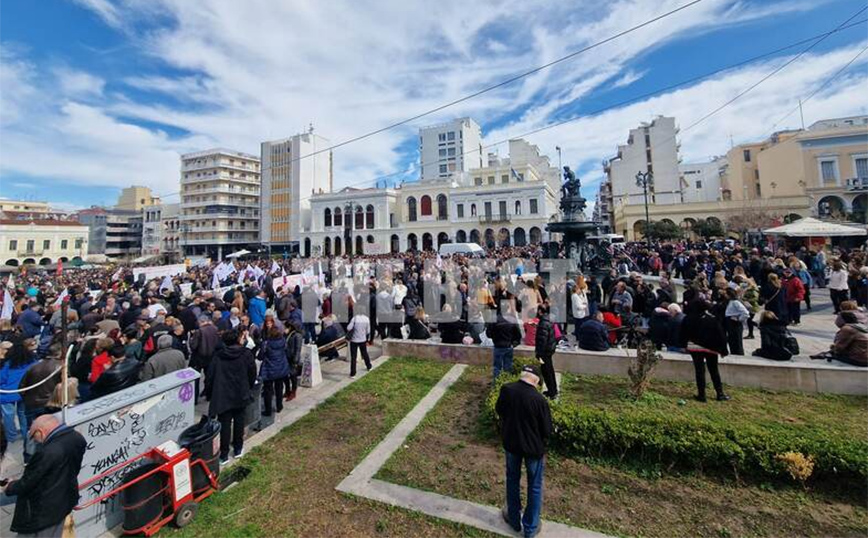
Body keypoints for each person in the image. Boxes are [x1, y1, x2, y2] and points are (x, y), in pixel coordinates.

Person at [2, 415, 87, 536]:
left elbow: (28, 483)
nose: (35, 440)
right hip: (63, 502)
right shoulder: (77, 438)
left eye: (33, 436)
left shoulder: (46, 453)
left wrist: (10, 486)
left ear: (40, 431)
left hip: (43, 513)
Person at [495, 365, 552, 538]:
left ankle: (513, 519)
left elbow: (500, 411)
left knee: (512, 479)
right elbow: (547, 430)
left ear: (522, 376)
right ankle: (530, 527)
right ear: (535, 381)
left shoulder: (507, 389)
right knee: (534, 486)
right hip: (533, 450)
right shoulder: (538, 399)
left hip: (511, 444)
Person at [206, 329, 257, 464]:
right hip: (241, 391)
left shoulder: (218, 355)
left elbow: (210, 376)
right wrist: (249, 386)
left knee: (225, 423)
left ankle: (223, 454)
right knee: (239, 421)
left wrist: (209, 392)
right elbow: (252, 372)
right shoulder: (245, 354)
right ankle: (238, 449)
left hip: (223, 393)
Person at [680, 300, 730, 402]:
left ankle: (702, 395)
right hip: (710, 348)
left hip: (694, 347)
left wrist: (683, 345)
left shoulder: (688, 318)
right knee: (714, 370)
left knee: (699, 371)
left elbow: (683, 333)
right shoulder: (712, 319)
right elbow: (721, 335)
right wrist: (723, 350)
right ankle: (720, 394)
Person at [1, 339, 37, 446]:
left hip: (6, 394)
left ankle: (11, 437)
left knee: (8, 416)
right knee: (23, 415)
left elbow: (1, 378)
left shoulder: (7, 364)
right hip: (25, 393)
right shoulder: (32, 362)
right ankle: (25, 434)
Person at [258, 325, 290, 417]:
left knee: (268, 390)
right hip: (280, 367)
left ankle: (268, 410)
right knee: (279, 388)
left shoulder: (266, 343)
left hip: (269, 369)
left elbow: (260, 356)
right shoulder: (283, 341)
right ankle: (279, 406)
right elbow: (286, 351)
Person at [489, 298, 522, 381]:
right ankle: (507, 383)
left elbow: (488, 333)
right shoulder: (512, 319)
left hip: (498, 346)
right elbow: (518, 335)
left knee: (497, 367)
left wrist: (494, 337)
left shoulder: (495, 319)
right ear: (508, 308)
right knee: (508, 367)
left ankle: (496, 384)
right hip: (508, 345)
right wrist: (513, 343)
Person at [534, 305, 558, 400]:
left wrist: (539, 354)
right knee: (550, 371)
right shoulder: (548, 320)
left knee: (547, 372)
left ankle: (552, 392)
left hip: (544, 352)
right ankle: (553, 390)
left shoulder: (543, 323)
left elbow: (541, 340)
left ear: (540, 311)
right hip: (549, 350)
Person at [346, 304, 372, 378]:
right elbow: (368, 331)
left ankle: (353, 373)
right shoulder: (367, 319)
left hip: (354, 340)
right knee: (365, 354)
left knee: (353, 357)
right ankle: (369, 366)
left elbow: (348, 328)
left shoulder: (355, 318)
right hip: (362, 339)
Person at [723, 288, 749, 356]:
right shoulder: (729, 302)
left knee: (737, 341)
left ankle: (739, 355)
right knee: (732, 341)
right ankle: (733, 353)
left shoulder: (735, 302)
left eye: (726, 294)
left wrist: (739, 319)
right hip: (729, 323)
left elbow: (745, 313)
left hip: (734, 323)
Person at [285, 320, 303, 401]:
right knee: (285, 375)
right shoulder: (289, 335)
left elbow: (298, 349)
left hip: (293, 358)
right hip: (287, 357)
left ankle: (293, 391)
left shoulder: (297, 336)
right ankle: (287, 390)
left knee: (293, 376)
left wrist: (295, 360)